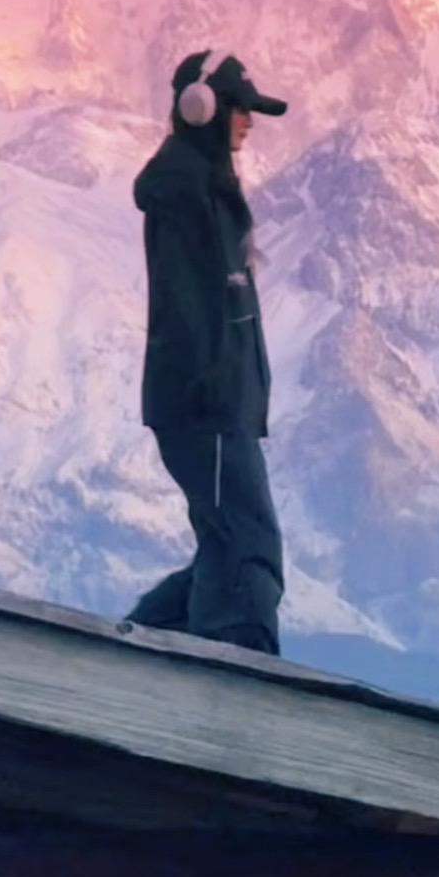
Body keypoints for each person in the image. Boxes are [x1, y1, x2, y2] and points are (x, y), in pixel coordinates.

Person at [125, 49, 289, 655]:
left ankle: (138, 643)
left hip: (220, 404)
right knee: (250, 546)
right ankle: (245, 679)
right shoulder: (188, 190)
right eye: (240, 108)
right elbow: (192, 302)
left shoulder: (207, 187)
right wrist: (218, 387)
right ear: (203, 108)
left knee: (223, 546)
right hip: (210, 405)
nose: (248, 120)